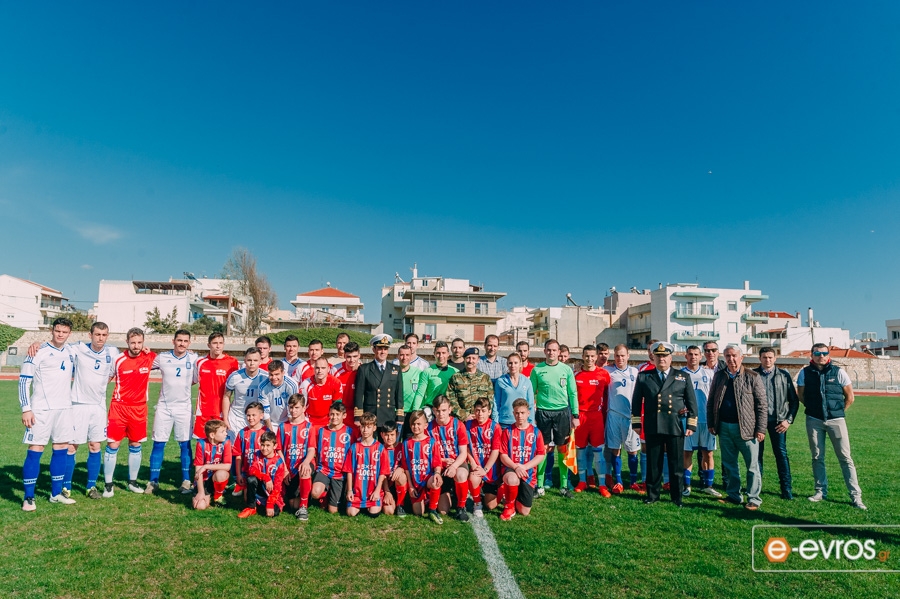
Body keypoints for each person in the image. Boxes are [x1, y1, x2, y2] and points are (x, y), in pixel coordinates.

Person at [798, 343, 866, 509]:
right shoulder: (805, 373)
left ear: (828, 355)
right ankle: (820, 491)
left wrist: (837, 412)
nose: (821, 356)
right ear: (812, 355)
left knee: (845, 457)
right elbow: (801, 395)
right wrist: (813, 409)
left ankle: (856, 496)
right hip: (814, 420)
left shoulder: (839, 372)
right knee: (817, 456)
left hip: (837, 421)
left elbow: (850, 397)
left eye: (824, 353)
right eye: (817, 353)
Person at [19, 317, 76, 510]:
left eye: (64, 332)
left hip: (64, 409)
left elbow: (94, 346)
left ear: (69, 333)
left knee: (61, 448)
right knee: (36, 449)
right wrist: (26, 408)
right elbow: (24, 381)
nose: (60, 334)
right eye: (57, 331)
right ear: (52, 331)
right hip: (41, 410)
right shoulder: (37, 351)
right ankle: (28, 497)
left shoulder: (71, 351)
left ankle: (55, 494)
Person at [632, 342, 698, 506]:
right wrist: (636, 424)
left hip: (674, 425)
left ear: (670, 358)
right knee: (654, 463)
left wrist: (691, 425)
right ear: (653, 358)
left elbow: (691, 402)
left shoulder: (682, 376)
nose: (661, 359)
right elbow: (636, 402)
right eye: (658, 356)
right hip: (653, 424)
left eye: (665, 356)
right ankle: (652, 495)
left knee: (676, 463)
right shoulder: (644, 376)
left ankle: (677, 496)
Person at [707, 345, 767, 510]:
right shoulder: (719, 376)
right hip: (724, 428)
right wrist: (711, 423)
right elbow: (711, 401)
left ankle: (753, 499)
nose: (731, 359)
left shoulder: (752, 376)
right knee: (729, 464)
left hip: (747, 430)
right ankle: (734, 495)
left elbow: (762, 405)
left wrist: (761, 429)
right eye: (727, 356)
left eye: (734, 355)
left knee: (752, 466)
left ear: (741, 357)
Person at [65, 322, 118, 500]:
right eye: (97, 334)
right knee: (71, 446)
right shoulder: (79, 348)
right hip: (78, 404)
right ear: (90, 335)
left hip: (98, 406)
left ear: (107, 336)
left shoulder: (112, 352)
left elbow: (126, 361)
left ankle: (91, 486)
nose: (100, 338)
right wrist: (37, 344)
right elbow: (58, 346)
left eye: (104, 335)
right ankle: (66, 486)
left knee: (95, 446)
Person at [104, 327, 157, 497]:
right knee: (113, 445)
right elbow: (106, 378)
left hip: (139, 409)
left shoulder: (150, 357)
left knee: (135, 444)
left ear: (143, 342)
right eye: (133, 342)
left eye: (139, 342)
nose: (136, 346)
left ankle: (132, 482)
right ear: (127, 342)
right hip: (118, 408)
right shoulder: (118, 359)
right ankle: (108, 485)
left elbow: (171, 360)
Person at [146, 329, 198, 495]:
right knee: (159, 443)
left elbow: (197, 378)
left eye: (185, 341)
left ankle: (186, 480)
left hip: (184, 407)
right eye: (179, 340)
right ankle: (153, 481)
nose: (182, 343)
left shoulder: (194, 359)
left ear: (189, 343)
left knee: (185, 444)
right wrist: (146, 351)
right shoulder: (162, 357)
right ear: (173, 341)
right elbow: (144, 363)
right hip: (164, 407)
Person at [529, 339, 578, 498]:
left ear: (558, 352)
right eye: (548, 350)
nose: (551, 352)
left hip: (562, 413)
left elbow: (572, 393)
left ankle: (564, 486)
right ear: (544, 351)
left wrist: (575, 415)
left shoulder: (566, 370)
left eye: (554, 350)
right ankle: (540, 485)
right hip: (543, 413)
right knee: (542, 449)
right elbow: (531, 393)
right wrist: (530, 415)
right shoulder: (537, 370)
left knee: (562, 449)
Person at [754, 346, 799, 500]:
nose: (767, 360)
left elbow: (794, 401)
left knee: (781, 454)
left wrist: (788, 420)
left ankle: (786, 489)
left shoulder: (783, 375)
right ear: (759, 358)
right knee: (756, 456)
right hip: (758, 423)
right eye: (764, 357)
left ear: (775, 358)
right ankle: (756, 488)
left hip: (778, 422)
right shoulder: (753, 375)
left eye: (770, 357)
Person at [680, 346, 721, 498]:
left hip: (706, 420)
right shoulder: (680, 374)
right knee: (687, 453)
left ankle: (708, 486)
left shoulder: (709, 373)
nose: (693, 357)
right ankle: (687, 486)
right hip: (688, 421)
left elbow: (715, 396)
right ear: (686, 356)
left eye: (696, 354)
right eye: (690, 354)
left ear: (700, 356)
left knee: (708, 453)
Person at [603, 344, 644, 494]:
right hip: (614, 414)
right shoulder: (608, 371)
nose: (620, 358)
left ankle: (633, 482)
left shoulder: (635, 371)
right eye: (617, 355)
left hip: (631, 416)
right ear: (613, 356)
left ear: (628, 356)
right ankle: (619, 481)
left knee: (633, 451)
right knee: (615, 449)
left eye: (622, 355)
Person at [498, 398, 547, 521]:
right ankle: (509, 507)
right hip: (511, 468)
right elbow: (503, 455)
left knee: (524, 511)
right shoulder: (507, 432)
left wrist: (524, 467)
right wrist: (515, 467)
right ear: (513, 413)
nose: (520, 416)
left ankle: (508, 493)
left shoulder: (536, 432)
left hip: (527, 472)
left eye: (522, 413)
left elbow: (541, 454)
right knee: (512, 478)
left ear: (528, 413)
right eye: (517, 413)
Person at [574, 345, 611, 496]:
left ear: (596, 357)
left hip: (596, 417)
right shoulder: (576, 374)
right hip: (580, 417)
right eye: (586, 356)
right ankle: (582, 481)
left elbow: (608, 395)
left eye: (592, 356)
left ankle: (602, 484)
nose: (589, 359)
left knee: (598, 452)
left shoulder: (604, 374)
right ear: (582, 356)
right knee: (580, 451)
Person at [428, 395, 470, 521]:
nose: (441, 414)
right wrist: (442, 460)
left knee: (461, 475)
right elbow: (427, 454)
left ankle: (461, 507)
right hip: (439, 466)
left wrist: (453, 466)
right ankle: (451, 492)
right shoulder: (428, 428)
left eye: (444, 410)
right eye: (438, 411)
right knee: (443, 510)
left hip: (457, 463)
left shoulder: (458, 425)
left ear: (450, 409)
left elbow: (463, 453)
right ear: (433, 411)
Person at [398, 409, 444, 524]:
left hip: (427, 479)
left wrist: (437, 474)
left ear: (425, 425)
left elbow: (437, 463)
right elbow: (406, 468)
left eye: (419, 424)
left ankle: (432, 510)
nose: (416, 427)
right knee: (418, 512)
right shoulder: (406, 443)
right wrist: (410, 486)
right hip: (415, 482)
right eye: (413, 424)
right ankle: (424, 500)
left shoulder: (431, 442)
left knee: (435, 481)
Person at [192, 332, 239, 440]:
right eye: (214, 343)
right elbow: (193, 380)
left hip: (222, 411)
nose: (218, 346)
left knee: (222, 442)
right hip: (203, 410)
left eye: (220, 343)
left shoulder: (232, 362)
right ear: (208, 345)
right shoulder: (199, 362)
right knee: (202, 442)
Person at [277, 393, 316, 521]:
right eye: (291, 407)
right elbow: (279, 450)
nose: (293, 410)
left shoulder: (309, 427)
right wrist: (284, 469)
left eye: (297, 407)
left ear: (304, 408)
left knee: (305, 470)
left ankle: (303, 507)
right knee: (293, 505)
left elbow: (311, 449)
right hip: (288, 468)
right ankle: (303, 495)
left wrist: (306, 462)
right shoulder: (283, 427)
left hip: (304, 464)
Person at [343, 412, 389, 517]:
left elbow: (383, 473)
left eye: (368, 427)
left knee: (374, 513)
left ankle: (370, 504)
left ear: (374, 428)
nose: (365, 430)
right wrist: (349, 490)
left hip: (373, 491)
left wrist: (377, 490)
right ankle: (359, 505)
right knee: (350, 513)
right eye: (363, 426)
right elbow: (349, 471)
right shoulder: (354, 447)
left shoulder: (380, 448)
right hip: (357, 493)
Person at [354, 335, 404, 428]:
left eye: (385, 349)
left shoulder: (395, 369)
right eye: (380, 349)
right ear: (374, 350)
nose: (383, 352)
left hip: (388, 415)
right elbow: (359, 394)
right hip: (370, 416)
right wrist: (358, 416)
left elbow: (399, 394)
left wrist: (400, 415)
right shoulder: (364, 369)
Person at [311, 402, 352, 514]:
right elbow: (315, 450)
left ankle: (331, 494)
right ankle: (323, 495)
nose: (334, 417)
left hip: (340, 474)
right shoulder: (321, 431)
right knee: (315, 493)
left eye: (338, 414)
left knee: (333, 510)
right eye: (332, 414)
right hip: (324, 470)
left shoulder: (350, 432)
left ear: (344, 415)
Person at [465, 397, 501, 517]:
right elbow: (466, 447)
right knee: (473, 478)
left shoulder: (495, 427)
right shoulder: (468, 425)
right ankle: (477, 504)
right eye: (477, 410)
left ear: (489, 412)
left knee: (491, 506)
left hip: (490, 469)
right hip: (476, 465)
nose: (480, 413)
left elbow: (495, 451)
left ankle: (500, 489)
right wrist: (473, 463)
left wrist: (485, 470)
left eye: (483, 411)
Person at [239, 430, 286, 518]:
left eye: (268, 445)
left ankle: (266, 503)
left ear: (275, 446)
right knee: (251, 479)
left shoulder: (279, 462)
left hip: (272, 492)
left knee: (274, 513)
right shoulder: (257, 455)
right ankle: (251, 507)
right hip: (261, 487)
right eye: (262, 445)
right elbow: (252, 470)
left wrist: (270, 503)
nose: (264, 448)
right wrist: (266, 477)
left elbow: (278, 487)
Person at [222, 347, 269, 435]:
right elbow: (226, 397)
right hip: (237, 418)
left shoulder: (266, 377)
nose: (252, 363)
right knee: (236, 444)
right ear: (244, 361)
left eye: (255, 360)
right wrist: (225, 419)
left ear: (260, 361)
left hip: (257, 419)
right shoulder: (235, 376)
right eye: (249, 360)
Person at [192, 419, 232, 510]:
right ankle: (208, 494)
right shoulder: (201, 444)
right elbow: (198, 471)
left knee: (221, 474)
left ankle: (218, 495)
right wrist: (201, 492)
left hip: (216, 477)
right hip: (204, 480)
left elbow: (227, 466)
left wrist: (206, 466)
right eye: (222, 431)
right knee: (200, 507)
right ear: (212, 435)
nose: (226, 434)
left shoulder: (226, 442)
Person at [233, 402, 268, 503]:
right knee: (248, 500)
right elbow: (238, 456)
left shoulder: (266, 432)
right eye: (248, 415)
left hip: (263, 473)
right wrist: (239, 475)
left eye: (253, 415)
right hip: (247, 473)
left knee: (265, 502)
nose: (250, 418)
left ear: (261, 416)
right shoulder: (242, 433)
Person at [446, 348, 493, 421]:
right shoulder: (456, 377)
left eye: (473, 358)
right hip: (462, 420)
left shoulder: (485, 378)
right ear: (464, 359)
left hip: (481, 419)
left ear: (478, 359)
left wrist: (482, 415)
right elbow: (451, 399)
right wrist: (464, 415)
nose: (470, 361)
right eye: (468, 358)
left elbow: (490, 399)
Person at [493, 353, 535, 428]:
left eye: (515, 363)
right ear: (507, 364)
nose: (513, 365)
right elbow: (496, 403)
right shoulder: (501, 381)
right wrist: (495, 422)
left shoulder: (527, 381)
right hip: (504, 423)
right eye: (510, 363)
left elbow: (530, 404)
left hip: (522, 423)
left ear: (520, 364)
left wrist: (531, 423)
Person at [301, 357, 344, 427]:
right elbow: (301, 407)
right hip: (310, 421)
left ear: (328, 369)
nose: (320, 371)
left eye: (323, 368)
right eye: (317, 368)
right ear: (314, 369)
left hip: (329, 421)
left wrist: (333, 423)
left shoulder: (336, 383)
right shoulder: (306, 384)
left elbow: (337, 407)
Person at [378, 422, 408, 517]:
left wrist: (401, 468)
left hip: (399, 482)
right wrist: (387, 492)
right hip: (385, 484)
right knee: (389, 511)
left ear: (397, 434)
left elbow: (408, 465)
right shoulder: (379, 449)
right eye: (386, 435)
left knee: (401, 476)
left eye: (392, 435)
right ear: (382, 435)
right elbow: (381, 473)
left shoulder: (402, 447)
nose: (389, 438)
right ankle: (389, 498)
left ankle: (400, 504)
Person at [259, 360, 298, 430]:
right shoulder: (262, 387)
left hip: (287, 421)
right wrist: (271, 431)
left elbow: (292, 410)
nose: (274, 378)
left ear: (283, 373)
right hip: (270, 422)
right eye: (271, 375)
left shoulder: (292, 385)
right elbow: (265, 412)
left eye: (277, 374)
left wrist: (289, 428)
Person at [421, 341, 459, 410]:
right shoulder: (427, 371)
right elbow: (420, 393)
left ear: (448, 354)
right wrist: (416, 410)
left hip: (449, 409)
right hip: (431, 408)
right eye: (438, 353)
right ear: (434, 354)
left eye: (443, 353)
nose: (441, 356)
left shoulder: (455, 372)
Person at [333, 342, 362, 430]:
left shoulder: (364, 370)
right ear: (344, 355)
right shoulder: (335, 370)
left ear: (359, 355)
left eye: (355, 356)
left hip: (358, 414)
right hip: (341, 413)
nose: (352, 360)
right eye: (349, 356)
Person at [398, 344, 428, 415]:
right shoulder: (393, 372)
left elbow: (422, 393)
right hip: (397, 411)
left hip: (414, 412)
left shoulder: (419, 372)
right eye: (402, 355)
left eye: (407, 355)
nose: (404, 358)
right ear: (398, 356)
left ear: (411, 356)